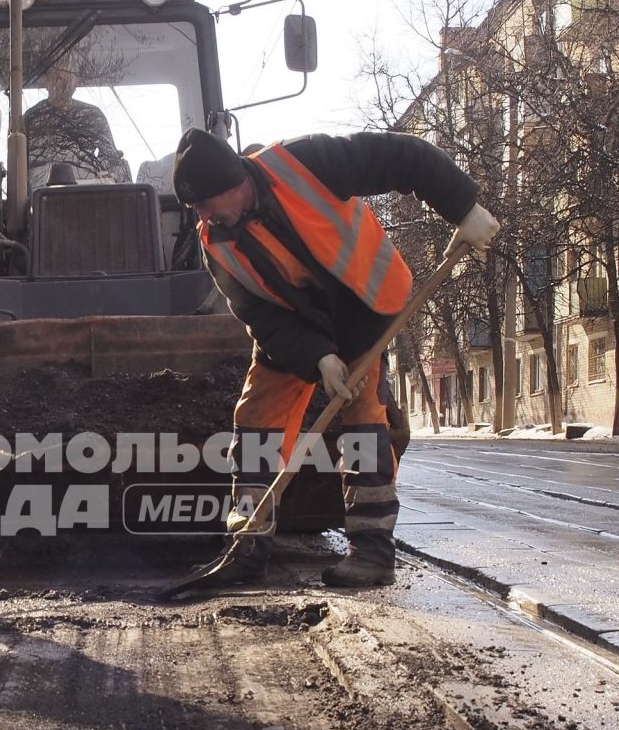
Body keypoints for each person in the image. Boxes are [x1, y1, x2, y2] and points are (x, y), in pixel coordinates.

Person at [171, 127, 499, 589]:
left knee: (363, 416)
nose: (201, 216)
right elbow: (259, 316)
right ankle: (248, 544)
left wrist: (463, 206)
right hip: (294, 331)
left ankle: (372, 551)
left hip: (363, 309)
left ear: (234, 186)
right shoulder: (216, 242)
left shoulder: (305, 163)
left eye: (204, 204)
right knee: (257, 420)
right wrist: (318, 357)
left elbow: (400, 155)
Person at [23, 64, 130, 188]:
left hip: (89, 198)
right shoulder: (32, 118)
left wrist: (110, 176)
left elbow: (111, 161)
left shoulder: (92, 116)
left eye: (69, 76)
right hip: (40, 200)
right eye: (58, 77)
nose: (63, 83)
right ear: (46, 81)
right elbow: (20, 171)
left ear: (77, 80)